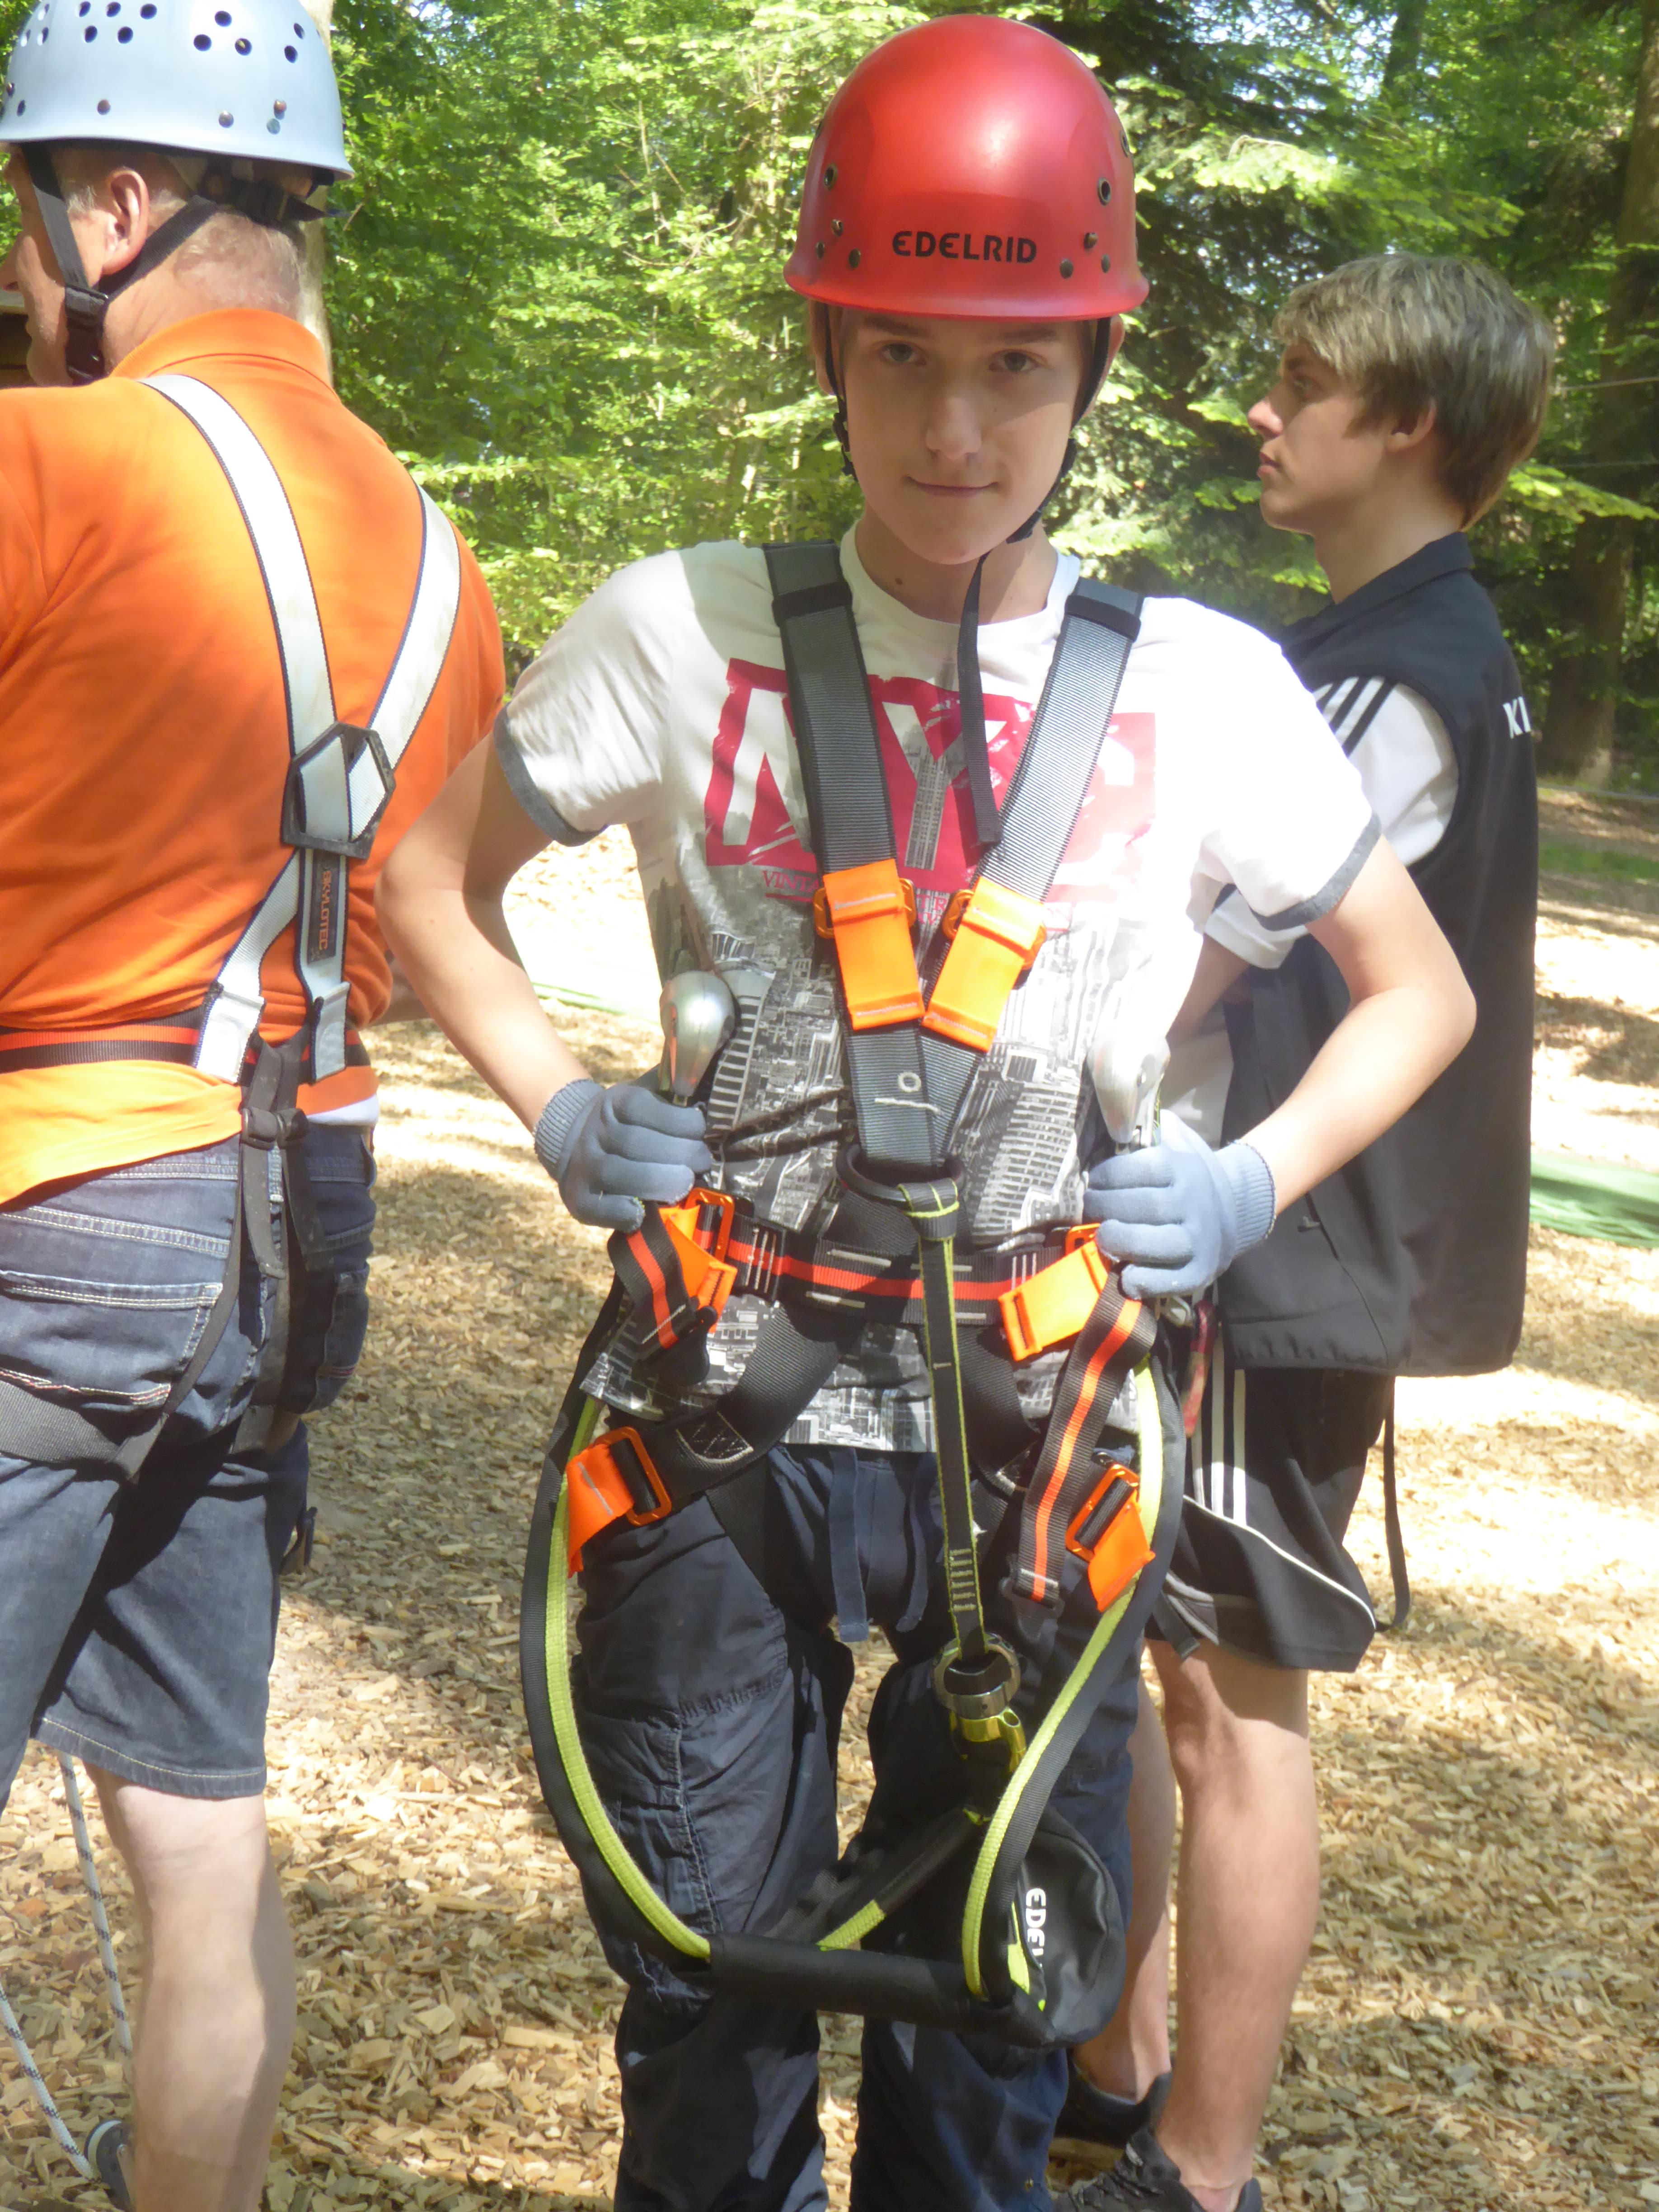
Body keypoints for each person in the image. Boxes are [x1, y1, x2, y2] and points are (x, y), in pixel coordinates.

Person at [379, 28, 1474, 2211]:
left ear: (1089, 374)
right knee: (706, 1985)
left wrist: (1252, 1175)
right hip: (722, 1421)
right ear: (829, 353)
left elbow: (1416, 996)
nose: (956, 432)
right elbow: (423, 870)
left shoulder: (1209, 690)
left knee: (999, 2013)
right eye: (899, 362)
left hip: (1045, 1432)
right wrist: (558, 1098)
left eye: (1013, 371)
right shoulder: (679, 632)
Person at [0, 3, 503, 2205]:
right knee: (196, 1805)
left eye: (30, 235)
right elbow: (404, 911)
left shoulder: (55, 472)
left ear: (118, 207)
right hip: (291, 1222)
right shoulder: (448, 557)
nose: (23, 289)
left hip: (60, 1195)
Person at [1062, 255, 1552, 2212]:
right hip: (1258, 1251)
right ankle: (1118, 2064)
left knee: (1233, 1707)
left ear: (1409, 423)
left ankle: (1203, 2164)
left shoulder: (1400, 678)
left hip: (1281, 1255)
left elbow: (1192, 975)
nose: (1260, 413)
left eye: (1302, 383)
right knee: (1143, 1658)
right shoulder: (1381, 642)